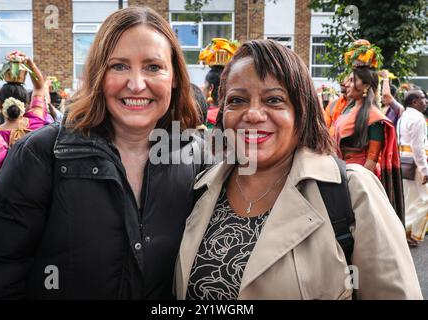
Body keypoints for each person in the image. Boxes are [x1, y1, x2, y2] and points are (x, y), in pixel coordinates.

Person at [0, 6, 203, 300]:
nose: (136, 84)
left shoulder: (197, 157)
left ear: (174, 76)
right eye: (119, 66)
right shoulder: (40, 154)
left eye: (153, 67)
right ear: (98, 74)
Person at [174, 39, 422, 300]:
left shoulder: (352, 193)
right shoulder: (200, 188)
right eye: (237, 100)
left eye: (274, 100)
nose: (254, 114)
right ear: (223, 112)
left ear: (302, 111)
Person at [333, 40, 404, 223]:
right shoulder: (345, 110)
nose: (347, 84)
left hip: (359, 179)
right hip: (340, 173)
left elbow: (371, 161)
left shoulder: (374, 118)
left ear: (365, 86)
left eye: (352, 80)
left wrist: (356, 185)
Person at [0, 54, 50, 189]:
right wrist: (29, 63)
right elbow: (40, 88)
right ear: (27, 104)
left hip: (3, 204)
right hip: (36, 201)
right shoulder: (36, 122)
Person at [397, 90, 428, 246]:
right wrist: (425, 170)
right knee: (425, 200)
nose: (426, 101)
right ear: (415, 102)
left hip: (405, 163)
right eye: (423, 98)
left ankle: (406, 233)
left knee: (412, 200)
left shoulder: (404, 117)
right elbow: (418, 147)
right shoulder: (417, 118)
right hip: (416, 165)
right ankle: (411, 233)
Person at [199, 38, 239, 128]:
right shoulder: (235, 117)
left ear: (211, 88)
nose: (202, 87)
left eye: (205, 85)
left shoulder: (201, 119)